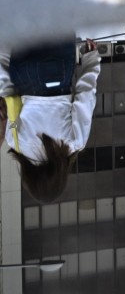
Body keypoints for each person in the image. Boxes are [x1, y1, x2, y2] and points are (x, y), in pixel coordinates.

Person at [0, 37, 101, 202]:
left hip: (58, 70)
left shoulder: (73, 144)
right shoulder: (16, 144)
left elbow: (85, 97)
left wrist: (91, 60)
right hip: (23, 72)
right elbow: (8, 95)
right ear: (30, 179)